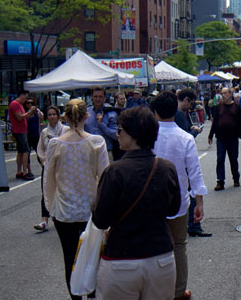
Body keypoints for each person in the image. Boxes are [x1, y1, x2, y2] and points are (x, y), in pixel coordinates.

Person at [92, 106, 180, 300]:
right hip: (161, 258)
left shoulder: (114, 171)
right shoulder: (167, 168)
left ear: (133, 134)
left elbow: (100, 220)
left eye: (120, 130)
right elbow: (174, 209)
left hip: (122, 259)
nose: (118, 134)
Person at [43, 99, 109, 300]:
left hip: (64, 211)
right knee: (93, 259)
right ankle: (93, 295)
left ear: (65, 117)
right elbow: (105, 178)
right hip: (91, 211)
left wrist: (51, 206)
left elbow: (49, 180)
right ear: (86, 116)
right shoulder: (97, 142)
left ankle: (75, 298)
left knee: (69, 258)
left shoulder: (55, 144)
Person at [152, 92, 207, 299]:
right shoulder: (185, 138)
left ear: (155, 111)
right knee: (178, 245)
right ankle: (178, 291)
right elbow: (194, 171)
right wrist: (199, 201)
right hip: (179, 201)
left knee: (154, 247)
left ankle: (156, 290)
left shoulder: (149, 136)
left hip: (150, 201)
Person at [34, 105, 67, 232]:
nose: (52, 116)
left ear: (58, 116)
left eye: (54, 114)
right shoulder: (44, 132)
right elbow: (40, 149)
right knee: (46, 191)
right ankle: (44, 220)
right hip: (48, 166)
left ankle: (62, 216)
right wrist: (43, 160)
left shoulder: (66, 130)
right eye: (49, 115)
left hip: (63, 166)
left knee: (63, 190)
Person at [208, 87, 241, 191]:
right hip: (221, 137)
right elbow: (215, 121)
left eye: (225, 93)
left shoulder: (236, 107)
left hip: (233, 137)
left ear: (231, 94)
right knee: (220, 159)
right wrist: (210, 135)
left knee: (233, 159)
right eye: (222, 93)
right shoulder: (218, 107)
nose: (223, 95)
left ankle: (236, 178)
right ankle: (220, 181)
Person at [9, 90, 37, 180]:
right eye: (25, 98)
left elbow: (24, 116)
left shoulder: (19, 105)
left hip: (22, 130)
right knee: (26, 150)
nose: (26, 100)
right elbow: (19, 117)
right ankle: (25, 171)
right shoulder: (15, 104)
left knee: (21, 151)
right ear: (21, 95)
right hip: (19, 130)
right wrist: (30, 111)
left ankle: (19, 171)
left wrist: (31, 113)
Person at [85, 87, 119, 160]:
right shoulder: (86, 112)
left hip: (106, 152)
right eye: (95, 96)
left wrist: (102, 125)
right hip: (89, 152)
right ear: (91, 97)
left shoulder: (111, 112)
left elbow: (116, 135)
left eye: (100, 97)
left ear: (104, 98)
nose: (97, 99)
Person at [25, 98, 44, 165]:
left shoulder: (36, 111)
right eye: (28, 103)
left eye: (31, 103)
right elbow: (25, 118)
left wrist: (38, 112)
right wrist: (30, 111)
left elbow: (42, 119)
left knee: (39, 151)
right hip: (27, 134)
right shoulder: (25, 112)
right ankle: (28, 169)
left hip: (36, 134)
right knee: (27, 152)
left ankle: (43, 167)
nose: (30, 104)